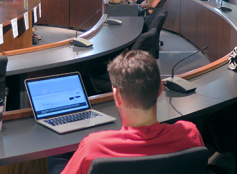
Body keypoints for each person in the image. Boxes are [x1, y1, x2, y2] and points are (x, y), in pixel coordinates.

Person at [58, 50, 204, 174]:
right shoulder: (190, 135)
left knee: (58, 157)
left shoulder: (93, 147)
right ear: (160, 89)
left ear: (117, 96)